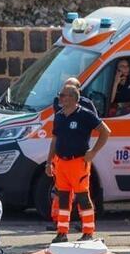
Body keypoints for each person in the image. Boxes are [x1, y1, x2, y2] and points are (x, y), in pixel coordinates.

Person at [47, 85, 111, 243]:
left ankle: (88, 231)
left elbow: (105, 131)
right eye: (60, 95)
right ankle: (62, 232)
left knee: (82, 197)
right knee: (63, 197)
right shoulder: (59, 116)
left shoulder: (85, 114)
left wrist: (93, 152)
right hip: (61, 163)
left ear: (73, 98)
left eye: (63, 95)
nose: (60, 98)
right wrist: (49, 162)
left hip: (78, 162)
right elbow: (55, 140)